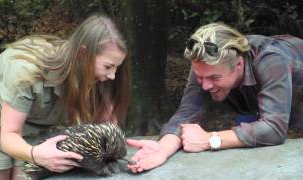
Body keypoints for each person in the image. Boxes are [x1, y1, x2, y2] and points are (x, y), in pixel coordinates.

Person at [127, 22, 303, 173]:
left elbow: (274, 129)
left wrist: (211, 139)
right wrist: (163, 149)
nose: (205, 86)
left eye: (214, 78)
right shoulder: (206, 64)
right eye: (200, 77)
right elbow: (187, 114)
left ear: (239, 65)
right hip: (254, 99)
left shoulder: (271, 61)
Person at [0, 14, 130, 179]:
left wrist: (120, 151)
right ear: (82, 53)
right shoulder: (26, 72)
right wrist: (34, 154)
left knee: (23, 176)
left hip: (38, 129)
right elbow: (9, 135)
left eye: (116, 67)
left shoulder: (96, 77)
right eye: (108, 66)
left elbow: (106, 126)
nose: (113, 76)